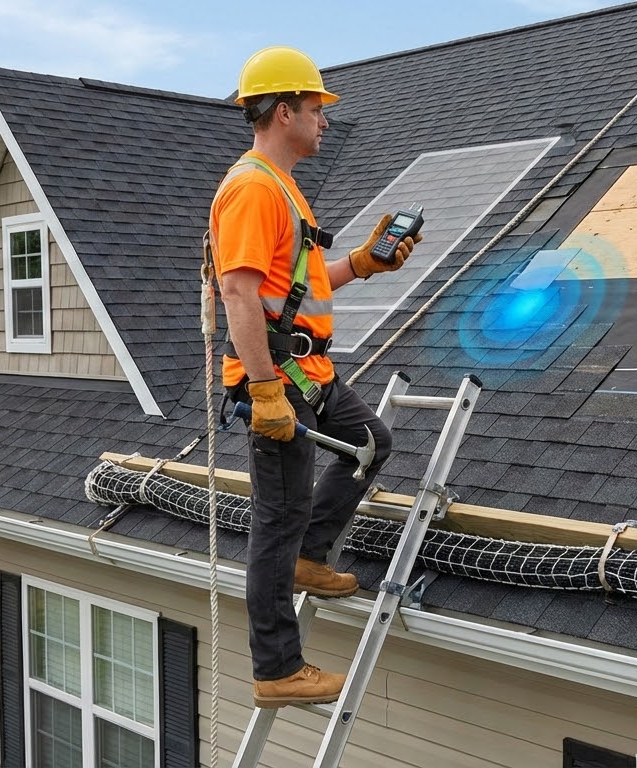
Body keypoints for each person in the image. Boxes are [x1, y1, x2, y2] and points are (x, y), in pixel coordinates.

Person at [209, 46, 421, 708]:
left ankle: (311, 556)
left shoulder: (281, 186)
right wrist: (265, 388)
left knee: (371, 443)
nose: (324, 121)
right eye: (315, 109)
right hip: (279, 379)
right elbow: (239, 293)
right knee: (277, 517)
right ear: (282, 112)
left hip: (311, 372)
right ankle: (277, 668)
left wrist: (361, 263)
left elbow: (290, 285)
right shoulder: (251, 188)